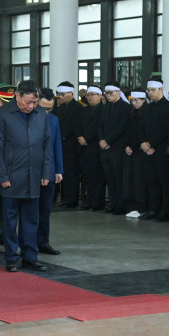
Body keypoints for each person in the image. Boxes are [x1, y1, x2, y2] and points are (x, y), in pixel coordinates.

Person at [0, 80, 52, 273]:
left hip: (34, 175)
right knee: (10, 219)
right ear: (17, 96)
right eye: (27, 102)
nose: (31, 106)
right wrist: (1, 175)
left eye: (34, 102)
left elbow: (46, 144)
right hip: (11, 175)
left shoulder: (41, 114)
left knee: (32, 219)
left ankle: (30, 256)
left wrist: (46, 172)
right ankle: (11, 257)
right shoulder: (2, 114)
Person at [138, 79, 169, 221]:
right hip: (147, 151)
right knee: (151, 182)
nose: (150, 93)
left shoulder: (168, 107)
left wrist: (151, 144)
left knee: (163, 182)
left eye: (153, 90)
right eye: (149, 91)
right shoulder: (148, 107)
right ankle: (153, 209)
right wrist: (143, 142)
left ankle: (165, 211)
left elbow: (166, 130)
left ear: (161, 89)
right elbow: (141, 127)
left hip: (160, 150)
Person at [37, 88, 63, 254]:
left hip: (50, 171)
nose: (46, 112)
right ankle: (29, 243)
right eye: (43, 108)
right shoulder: (27, 119)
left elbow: (57, 145)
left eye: (50, 108)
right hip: (31, 172)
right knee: (30, 212)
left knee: (45, 211)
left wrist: (59, 169)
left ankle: (43, 242)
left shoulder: (54, 120)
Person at [99, 82, 130, 214]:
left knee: (119, 178)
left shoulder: (125, 107)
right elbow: (100, 125)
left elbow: (122, 127)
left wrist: (108, 140)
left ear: (118, 92)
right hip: (105, 148)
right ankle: (113, 203)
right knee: (109, 178)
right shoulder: (105, 107)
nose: (109, 95)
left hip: (117, 147)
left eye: (111, 93)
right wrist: (101, 139)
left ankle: (120, 205)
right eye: (107, 93)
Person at [54, 82, 83, 210]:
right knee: (63, 172)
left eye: (63, 94)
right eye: (59, 94)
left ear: (71, 93)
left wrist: (64, 136)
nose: (61, 97)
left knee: (71, 173)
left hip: (71, 144)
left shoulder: (77, 107)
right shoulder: (61, 108)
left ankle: (72, 200)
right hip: (61, 144)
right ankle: (65, 198)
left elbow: (75, 126)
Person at [77, 86, 106, 211]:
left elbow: (98, 127)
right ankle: (89, 201)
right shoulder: (84, 110)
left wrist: (87, 138)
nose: (90, 97)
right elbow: (77, 125)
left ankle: (98, 202)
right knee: (88, 176)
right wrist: (80, 137)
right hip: (84, 148)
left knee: (98, 177)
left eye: (93, 94)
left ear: (100, 95)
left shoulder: (104, 110)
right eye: (88, 95)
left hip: (96, 146)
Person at [123, 89, 148, 217]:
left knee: (140, 181)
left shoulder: (146, 114)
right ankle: (132, 205)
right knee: (131, 180)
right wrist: (127, 145)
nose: (135, 103)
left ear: (144, 100)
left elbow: (142, 133)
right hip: (131, 151)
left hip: (140, 151)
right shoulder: (131, 113)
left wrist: (134, 146)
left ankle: (141, 206)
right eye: (133, 100)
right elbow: (127, 131)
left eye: (137, 100)